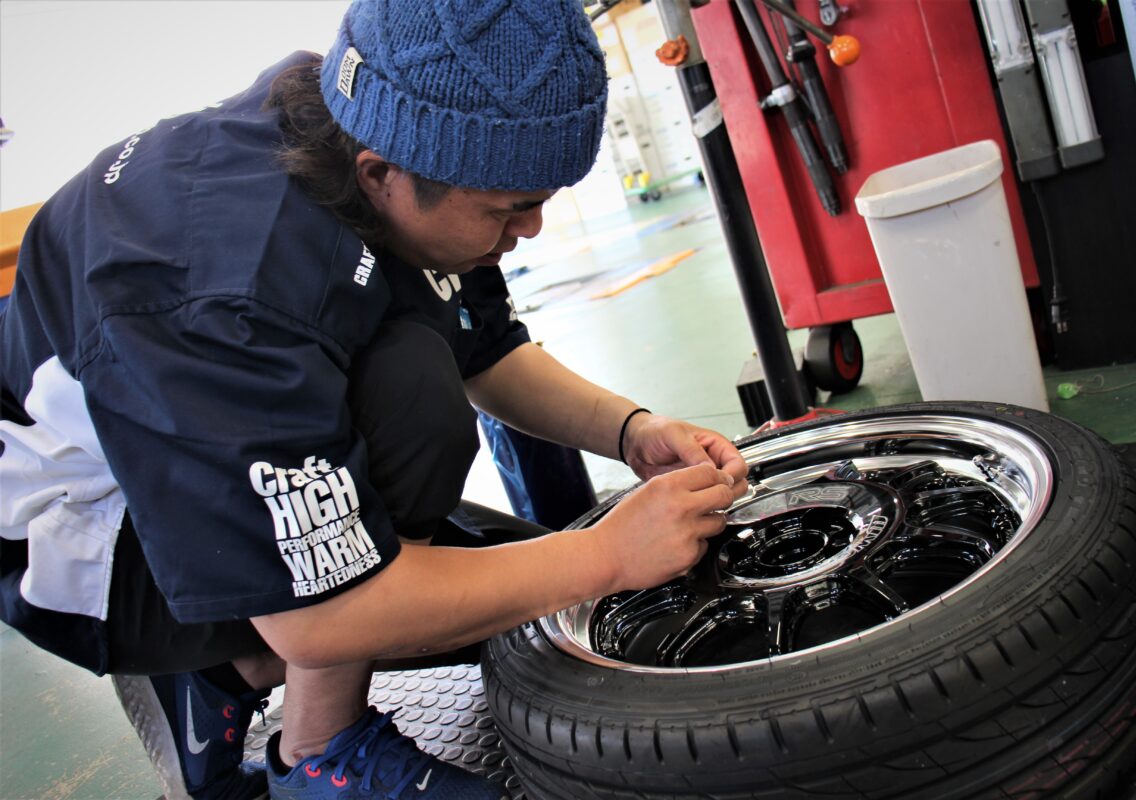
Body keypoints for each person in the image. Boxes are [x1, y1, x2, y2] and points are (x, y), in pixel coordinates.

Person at [0, 1, 749, 798]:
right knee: (421, 405)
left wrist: (632, 430)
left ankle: (216, 672)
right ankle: (318, 751)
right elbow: (319, 618)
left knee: (519, 586)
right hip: (90, 541)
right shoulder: (226, 292)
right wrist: (605, 556)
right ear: (381, 174)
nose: (531, 228)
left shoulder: (384, 116)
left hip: (195, 458)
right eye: (508, 209)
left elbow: (486, 345)